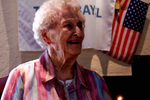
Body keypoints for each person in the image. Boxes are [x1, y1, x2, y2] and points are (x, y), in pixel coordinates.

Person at [1, 0, 112, 99]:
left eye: (80, 26)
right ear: (46, 36)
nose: (78, 33)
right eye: (68, 25)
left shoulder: (95, 81)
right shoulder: (22, 77)